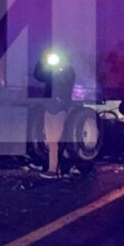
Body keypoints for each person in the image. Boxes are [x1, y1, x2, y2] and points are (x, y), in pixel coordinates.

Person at [33, 49, 76, 179]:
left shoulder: (68, 72)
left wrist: (56, 69)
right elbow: (39, 75)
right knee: (49, 140)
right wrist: (42, 62)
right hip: (50, 107)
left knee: (54, 141)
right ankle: (54, 167)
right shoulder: (57, 71)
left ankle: (54, 170)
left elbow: (63, 84)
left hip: (58, 108)